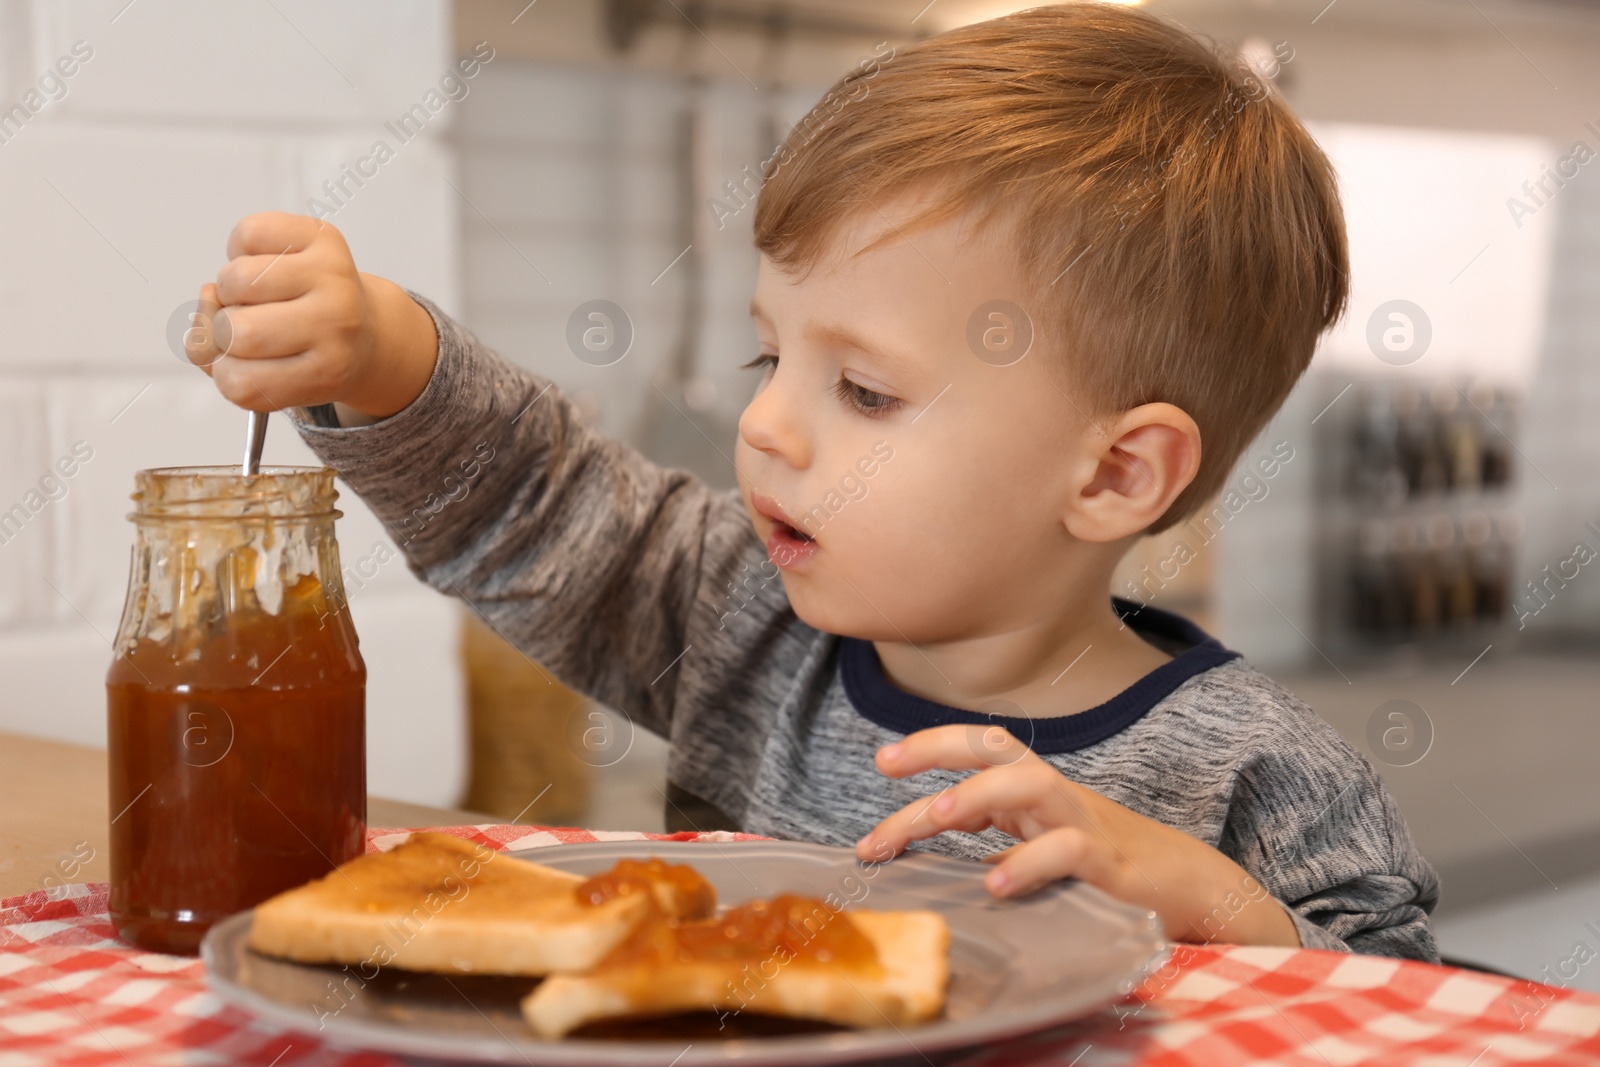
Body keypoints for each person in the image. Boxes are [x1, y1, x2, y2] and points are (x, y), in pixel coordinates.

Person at [192, 3, 1438, 960]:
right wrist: (380, 349)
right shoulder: (735, 619)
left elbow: (1419, 1013)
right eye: (769, 352)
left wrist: (1216, 901)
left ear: (1114, 473)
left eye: (867, 392)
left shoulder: (1259, 770)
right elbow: (538, 500)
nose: (765, 424)